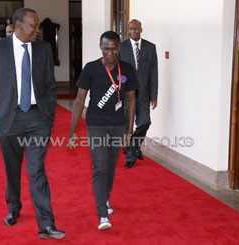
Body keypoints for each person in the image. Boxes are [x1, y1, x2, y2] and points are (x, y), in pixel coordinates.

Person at [0, 8, 65, 239]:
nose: (37, 30)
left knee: (36, 170)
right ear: (18, 25)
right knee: (12, 170)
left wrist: (48, 118)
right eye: (33, 25)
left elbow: (50, 84)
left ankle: (46, 224)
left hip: (37, 119)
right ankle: (13, 207)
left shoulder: (44, 49)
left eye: (37, 25)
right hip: (8, 119)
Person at [67, 31, 138, 230]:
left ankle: (104, 198)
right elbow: (80, 100)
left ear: (119, 48)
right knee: (99, 166)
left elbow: (131, 101)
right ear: (100, 47)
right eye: (106, 49)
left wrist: (129, 131)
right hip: (96, 124)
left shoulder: (128, 69)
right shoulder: (90, 69)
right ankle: (102, 214)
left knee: (110, 165)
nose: (110, 53)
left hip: (118, 124)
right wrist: (72, 131)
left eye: (114, 49)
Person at [118, 19, 158, 168]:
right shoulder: (121, 47)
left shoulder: (150, 48)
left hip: (143, 95)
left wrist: (154, 96)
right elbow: (117, 71)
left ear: (141, 29)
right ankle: (131, 155)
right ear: (128, 30)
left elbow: (154, 73)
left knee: (145, 122)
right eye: (131, 29)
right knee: (126, 127)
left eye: (136, 28)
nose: (133, 31)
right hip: (127, 96)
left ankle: (132, 148)